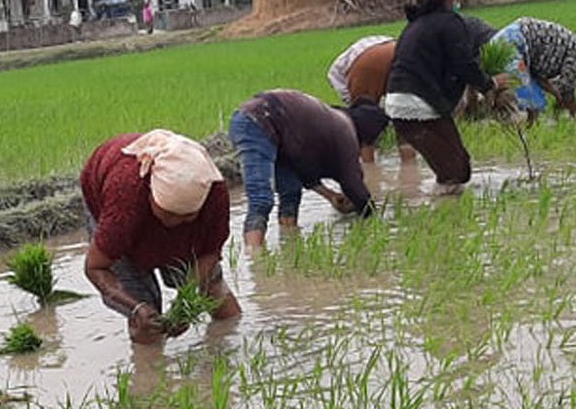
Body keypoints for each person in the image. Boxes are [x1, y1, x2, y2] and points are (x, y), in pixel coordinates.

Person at [80, 130, 238, 344]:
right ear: (151, 195)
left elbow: (209, 254)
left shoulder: (213, 192)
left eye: (186, 217)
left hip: (152, 213)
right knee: (146, 314)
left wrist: (185, 302)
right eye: (167, 213)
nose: (173, 223)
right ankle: (149, 371)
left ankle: (233, 338)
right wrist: (135, 308)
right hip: (112, 199)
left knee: (212, 284)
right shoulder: (126, 198)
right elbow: (96, 267)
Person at [384, 0, 509, 194]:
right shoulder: (450, 23)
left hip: (398, 103)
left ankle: (439, 209)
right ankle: (442, 218)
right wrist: (491, 84)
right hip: (419, 105)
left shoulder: (417, 23)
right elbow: (463, 65)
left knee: (455, 167)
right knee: (456, 172)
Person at [228, 89, 385, 247]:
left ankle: (289, 242)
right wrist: (370, 214)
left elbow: (303, 166)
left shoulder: (333, 121)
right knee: (261, 199)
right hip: (257, 122)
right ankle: (255, 260)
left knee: (291, 190)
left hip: (273, 128)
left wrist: (329, 195)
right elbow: (353, 184)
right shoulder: (346, 131)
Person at [328, 17, 496, 161]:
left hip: (376, 63)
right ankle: (410, 168)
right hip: (401, 56)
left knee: (366, 129)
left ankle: (370, 174)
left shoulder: (352, 71)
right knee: (406, 121)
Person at [487, 18, 576, 117]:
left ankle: (491, 117)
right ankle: (522, 132)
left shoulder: (567, 43)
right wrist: (575, 115)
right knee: (534, 103)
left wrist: (556, 95)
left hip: (498, 43)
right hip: (513, 46)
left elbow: (538, 77)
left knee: (501, 89)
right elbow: (567, 90)